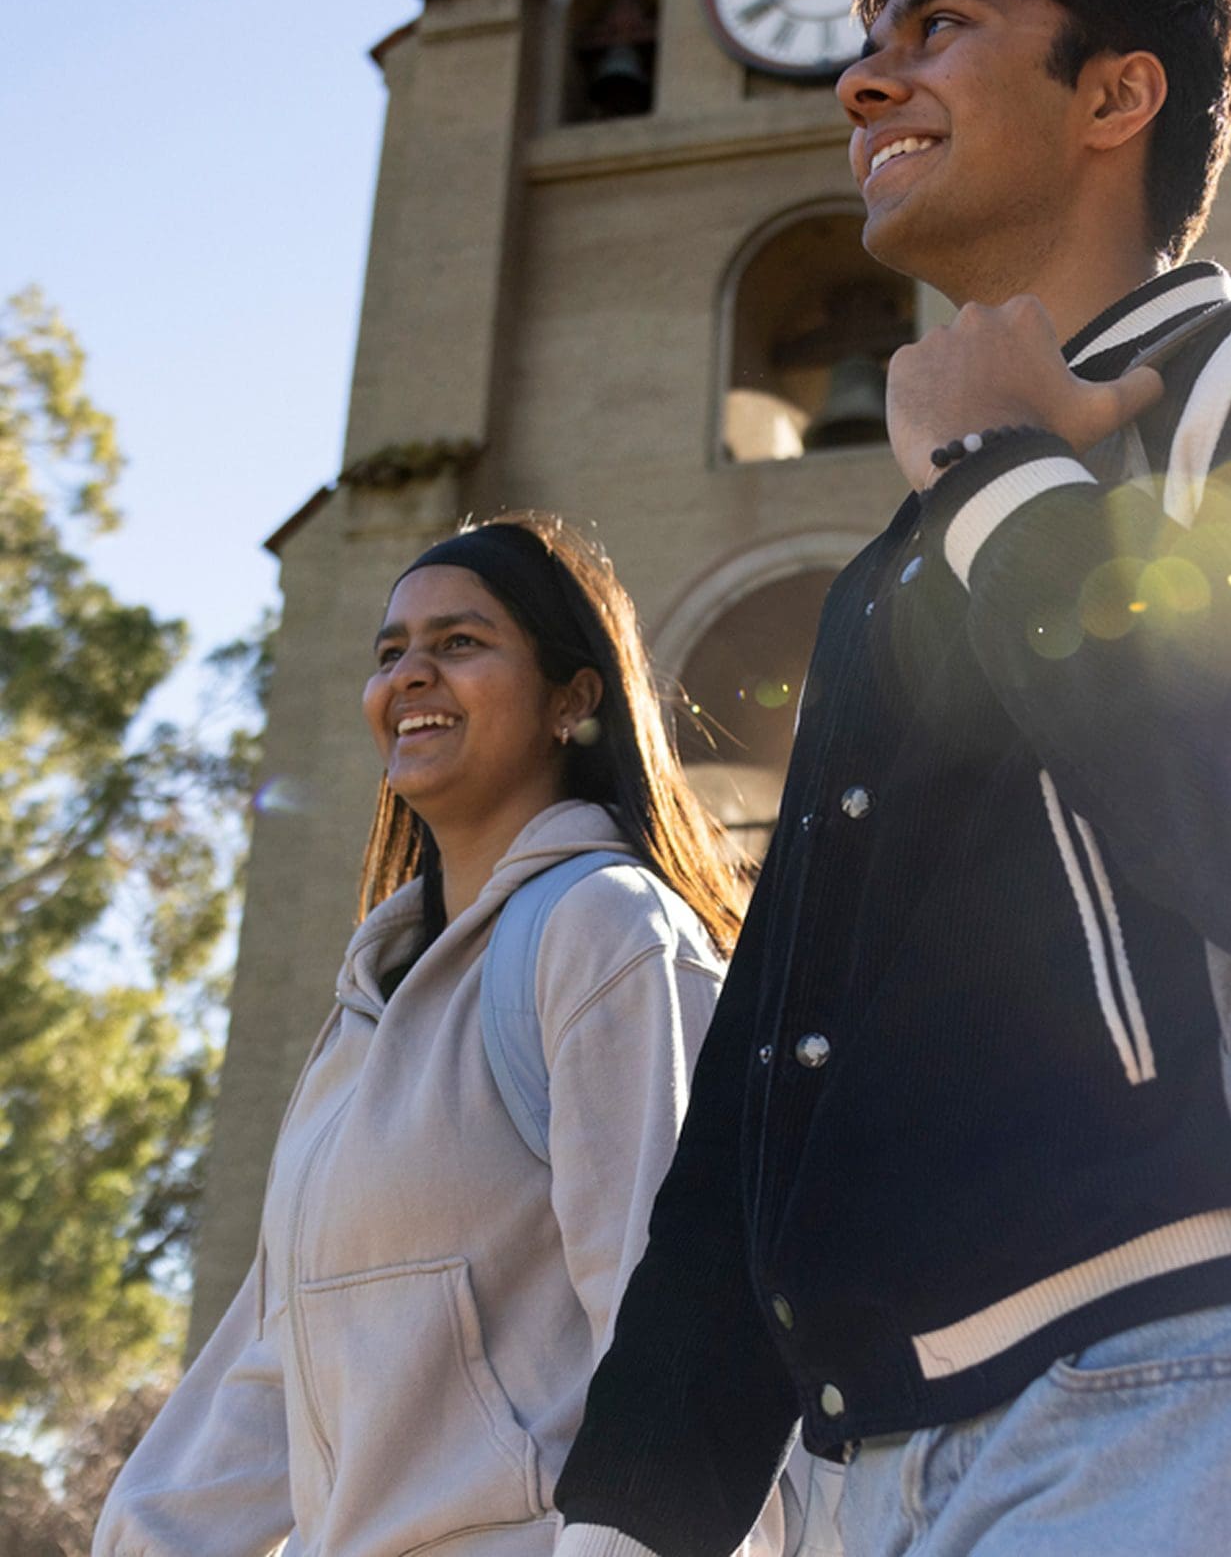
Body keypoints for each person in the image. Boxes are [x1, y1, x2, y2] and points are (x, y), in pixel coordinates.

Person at [555, 0, 1231, 1555]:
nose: (861, 84)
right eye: (864, 43)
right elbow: (775, 1062)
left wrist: (1003, 476)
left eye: (936, 29)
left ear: (1115, 93)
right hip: (864, 1476)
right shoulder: (893, 574)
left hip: (1186, 1395)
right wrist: (633, 1509)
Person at [95, 515, 758, 1557]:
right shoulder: (363, 1008)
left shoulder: (607, 931)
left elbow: (685, 1321)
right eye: (390, 651)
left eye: (459, 643)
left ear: (572, 701)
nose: (408, 674)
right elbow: (275, 1363)